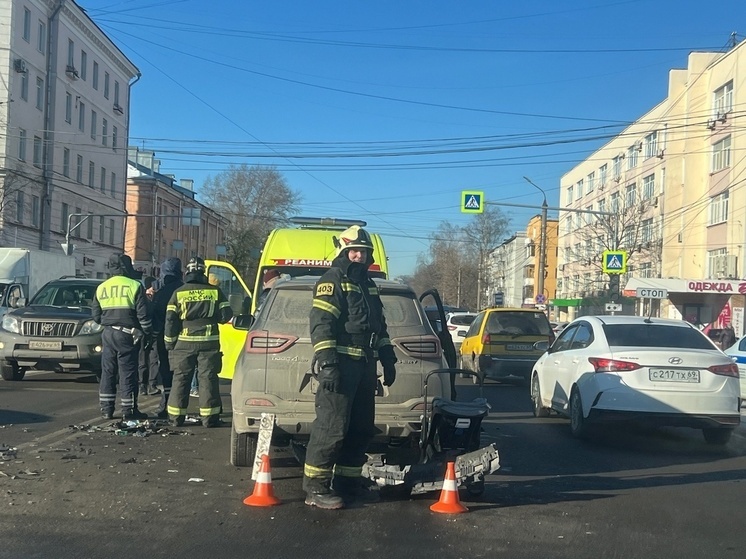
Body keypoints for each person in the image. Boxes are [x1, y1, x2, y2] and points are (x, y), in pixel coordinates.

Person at [302, 225, 397, 509]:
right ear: (344, 252)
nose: (359, 256)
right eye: (354, 251)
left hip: (366, 366)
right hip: (341, 366)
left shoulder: (367, 285)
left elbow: (378, 326)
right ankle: (316, 488)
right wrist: (328, 364)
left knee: (360, 429)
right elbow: (321, 325)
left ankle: (347, 484)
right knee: (332, 429)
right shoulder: (332, 281)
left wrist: (388, 356)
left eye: (364, 252)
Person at [164, 256, 232, 428]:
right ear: (203, 272)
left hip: (184, 343)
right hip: (209, 344)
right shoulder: (215, 292)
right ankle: (209, 418)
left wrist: (170, 344)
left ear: (187, 272)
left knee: (180, 379)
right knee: (208, 378)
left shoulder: (178, 293)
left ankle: (175, 418)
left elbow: (171, 320)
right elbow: (226, 316)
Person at [92, 253, 153, 420]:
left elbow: (96, 315)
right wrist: (147, 333)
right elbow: (143, 315)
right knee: (127, 372)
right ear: (127, 268)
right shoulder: (134, 285)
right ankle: (129, 410)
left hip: (107, 333)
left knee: (108, 372)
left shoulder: (102, 287)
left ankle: (106, 409)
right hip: (127, 334)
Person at [151, 258, 183, 419]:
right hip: (184, 338)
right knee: (182, 373)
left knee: (166, 371)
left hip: (164, 338)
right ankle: (177, 406)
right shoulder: (184, 290)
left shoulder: (162, 293)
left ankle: (165, 406)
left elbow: (154, 314)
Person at [139, 276, 160, 396]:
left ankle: (152, 384)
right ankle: (143, 385)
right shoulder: (142, 298)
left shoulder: (156, 298)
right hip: (143, 333)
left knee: (154, 360)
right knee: (142, 360)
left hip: (154, 333)